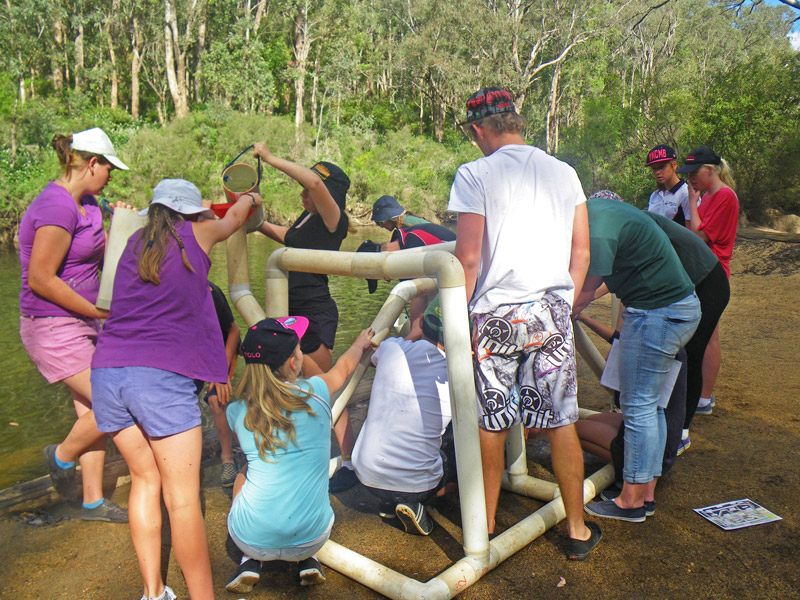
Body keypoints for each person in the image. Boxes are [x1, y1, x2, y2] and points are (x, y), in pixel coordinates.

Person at [448, 87, 600, 560]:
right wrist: (564, 302)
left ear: (478, 130)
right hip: (550, 311)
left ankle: (487, 526)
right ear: (515, 120)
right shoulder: (565, 172)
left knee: (491, 424)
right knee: (561, 420)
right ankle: (576, 530)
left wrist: (455, 320)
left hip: (495, 314)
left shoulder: (474, 173)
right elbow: (582, 253)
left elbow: (468, 259)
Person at [90, 179, 260, 600]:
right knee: (183, 500)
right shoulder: (196, 233)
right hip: (158, 378)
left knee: (145, 481)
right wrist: (252, 196)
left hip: (107, 372)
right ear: (190, 212)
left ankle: (154, 592)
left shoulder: (133, 243)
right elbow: (237, 217)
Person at [19, 127, 129, 522]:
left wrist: (121, 224)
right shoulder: (56, 206)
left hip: (82, 320)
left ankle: (93, 501)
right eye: (108, 168)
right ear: (92, 163)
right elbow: (40, 278)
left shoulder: (87, 204)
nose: (111, 176)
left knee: (91, 411)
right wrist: (97, 311)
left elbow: (97, 261)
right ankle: (61, 457)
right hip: (53, 326)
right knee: (113, 400)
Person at [225, 317, 375, 593]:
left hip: (251, 539)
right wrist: (359, 343)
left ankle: (249, 561)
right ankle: (309, 559)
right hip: (312, 536)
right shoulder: (316, 390)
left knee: (247, 470)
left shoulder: (236, 411)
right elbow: (343, 368)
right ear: (294, 363)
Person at [576, 196, 700, 523]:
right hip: (672, 308)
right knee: (650, 405)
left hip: (657, 312)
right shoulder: (605, 212)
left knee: (638, 404)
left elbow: (585, 290)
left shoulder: (597, 228)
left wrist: (561, 312)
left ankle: (630, 500)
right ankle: (644, 493)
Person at [253, 143, 359, 493]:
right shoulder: (309, 219)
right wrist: (258, 224)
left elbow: (314, 184)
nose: (303, 192)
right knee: (305, 387)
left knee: (322, 388)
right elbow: (289, 239)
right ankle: (318, 456)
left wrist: (270, 158)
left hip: (313, 314)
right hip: (293, 312)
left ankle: (347, 462)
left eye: (310, 188)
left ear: (329, 193)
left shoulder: (334, 219)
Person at [352, 299, 456, 535]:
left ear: (420, 322)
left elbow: (377, 361)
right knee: (456, 456)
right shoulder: (453, 369)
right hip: (419, 486)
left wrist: (413, 334)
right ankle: (414, 503)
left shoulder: (390, 348)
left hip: (367, 477)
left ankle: (388, 502)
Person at [678, 146, 739, 415]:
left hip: (713, 273)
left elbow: (699, 236)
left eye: (694, 173)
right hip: (700, 270)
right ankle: (701, 395)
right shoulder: (708, 196)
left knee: (709, 336)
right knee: (705, 333)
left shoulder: (724, 196)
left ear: (710, 170)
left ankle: (703, 396)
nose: (690, 178)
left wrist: (692, 200)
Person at [194, 280, 241, 488]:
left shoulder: (211, 293)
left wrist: (220, 372)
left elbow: (234, 331)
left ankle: (228, 459)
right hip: (192, 350)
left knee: (216, 397)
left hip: (222, 348)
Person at [645, 144, 690, 226]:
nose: (657, 172)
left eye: (662, 167)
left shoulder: (685, 194)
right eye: (654, 168)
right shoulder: (655, 195)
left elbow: (692, 231)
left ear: (674, 165)